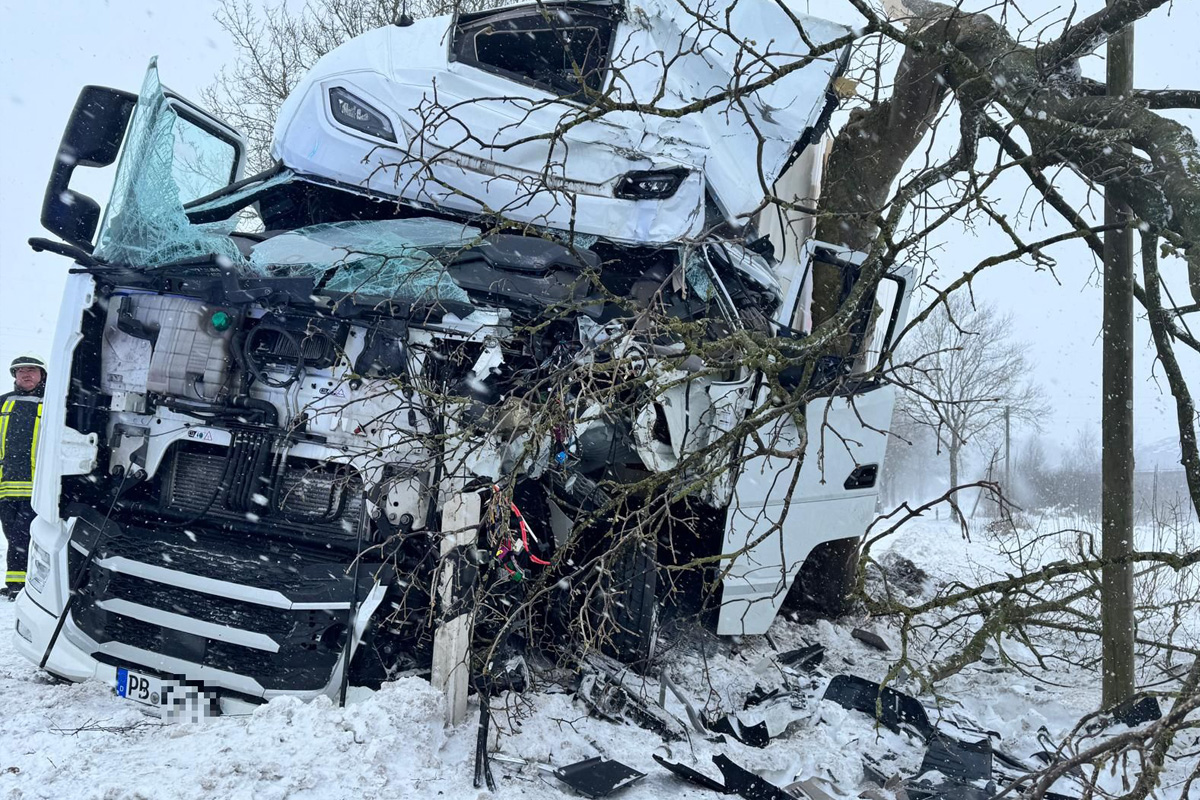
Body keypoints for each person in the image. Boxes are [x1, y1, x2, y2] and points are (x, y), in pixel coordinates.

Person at [0, 355, 46, 600]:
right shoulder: (3, 403)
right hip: (6, 486)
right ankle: (18, 582)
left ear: (42, 375)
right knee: (13, 536)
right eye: (20, 371)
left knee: (24, 535)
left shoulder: (53, 404)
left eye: (31, 370)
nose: (26, 374)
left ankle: (20, 586)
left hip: (39, 486)